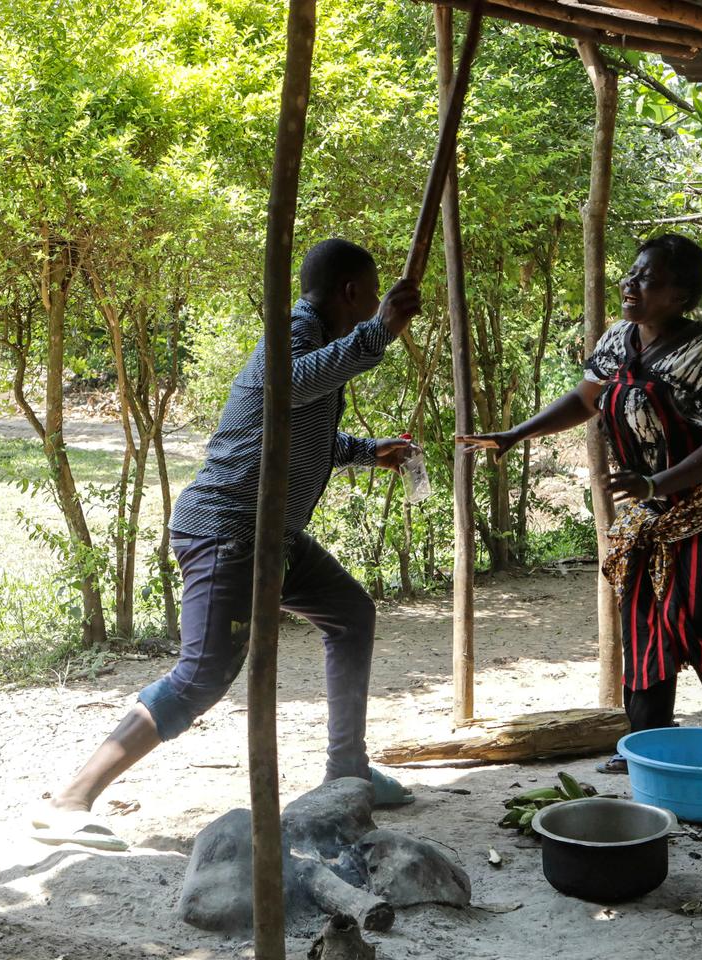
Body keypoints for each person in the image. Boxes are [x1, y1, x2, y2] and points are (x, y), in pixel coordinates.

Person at [32, 239, 422, 850]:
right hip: (227, 532)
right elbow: (289, 387)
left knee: (349, 614)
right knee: (203, 674)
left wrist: (366, 451)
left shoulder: (313, 340)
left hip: (271, 537)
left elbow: (302, 429)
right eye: (371, 293)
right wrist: (377, 334)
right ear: (352, 293)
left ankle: (347, 771)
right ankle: (69, 800)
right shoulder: (291, 339)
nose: (376, 302)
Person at [459, 234, 702, 775]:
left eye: (648, 279)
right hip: (655, 503)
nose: (630, 285)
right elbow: (585, 399)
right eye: (631, 274)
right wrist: (516, 434)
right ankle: (647, 744)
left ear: (680, 296)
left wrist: (657, 484)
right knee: (645, 616)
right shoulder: (619, 340)